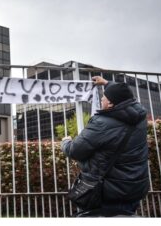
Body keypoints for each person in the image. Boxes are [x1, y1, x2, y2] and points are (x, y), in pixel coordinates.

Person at [61, 76, 149, 217]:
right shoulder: (140, 117)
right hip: (135, 188)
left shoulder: (102, 123)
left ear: (110, 104)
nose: (102, 98)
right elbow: (124, 94)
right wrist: (107, 83)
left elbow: (74, 151)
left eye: (104, 97)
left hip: (109, 193)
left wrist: (65, 142)